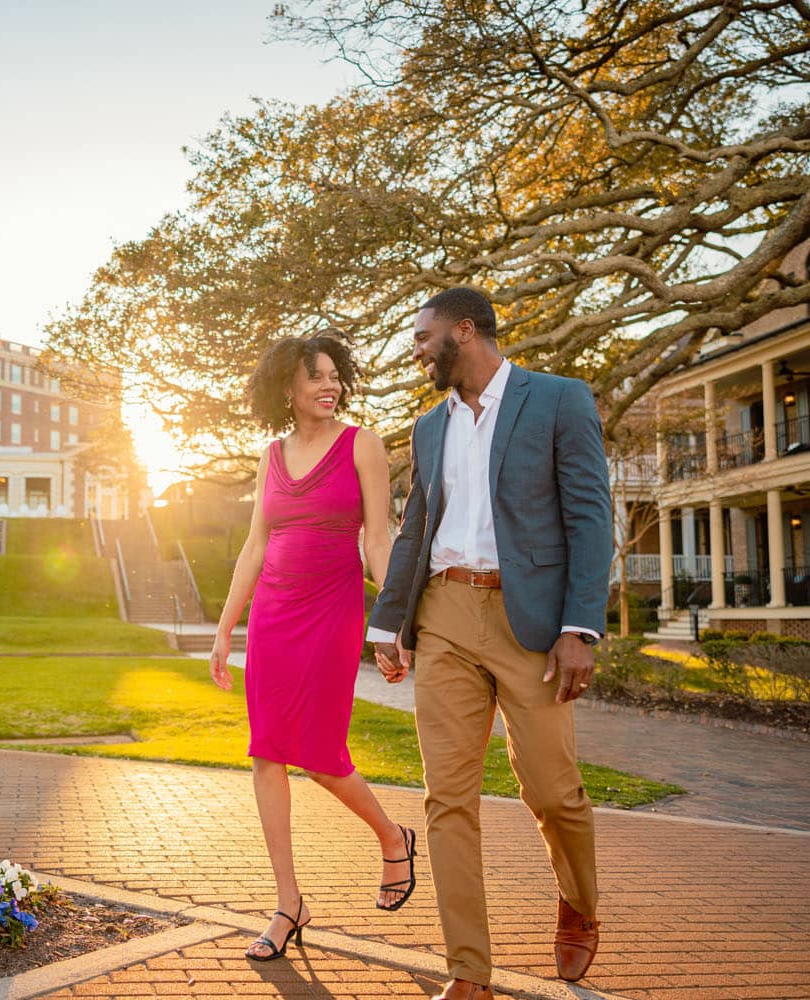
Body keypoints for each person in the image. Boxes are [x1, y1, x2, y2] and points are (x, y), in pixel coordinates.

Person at [369, 287, 613, 1000]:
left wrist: (580, 626)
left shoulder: (559, 400)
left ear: (464, 331)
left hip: (529, 621)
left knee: (551, 790)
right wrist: (389, 622)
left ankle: (580, 899)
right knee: (446, 798)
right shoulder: (428, 427)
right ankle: (467, 971)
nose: (415, 349)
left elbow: (591, 520)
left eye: (422, 336)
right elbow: (416, 527)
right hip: (445, 613)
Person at [209, 332, 416, 964]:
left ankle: (392, 836)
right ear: (287, 389)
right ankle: (288, 902)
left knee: (322, 753)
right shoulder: (271, 455)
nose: (330, 386)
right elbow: (254, 546)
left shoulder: (363, 445)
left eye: (335, 376)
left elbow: (378, 542)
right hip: (272, 616)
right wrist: (225, 628)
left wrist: (394, 622)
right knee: (267, 752)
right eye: (316, 377)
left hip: (331, 614)